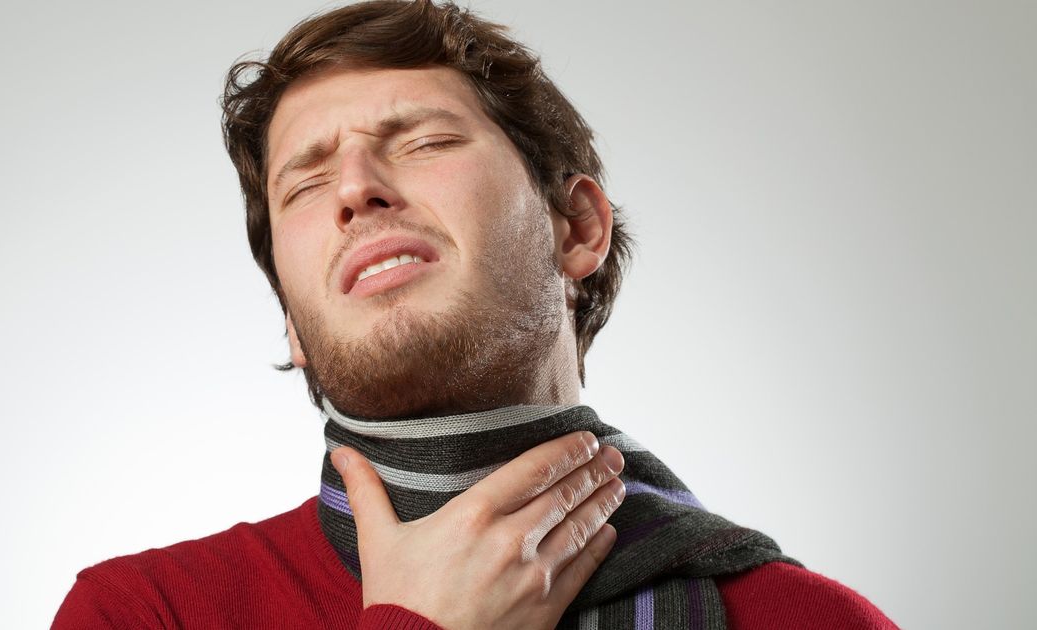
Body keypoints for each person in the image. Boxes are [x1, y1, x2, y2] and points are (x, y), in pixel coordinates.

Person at [52, 1, 898, 628]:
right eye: (305, 183)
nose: (355, 188)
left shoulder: (812, 623)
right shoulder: (142, 614)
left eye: (425, 141)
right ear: (292, 323)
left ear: (578, 229)